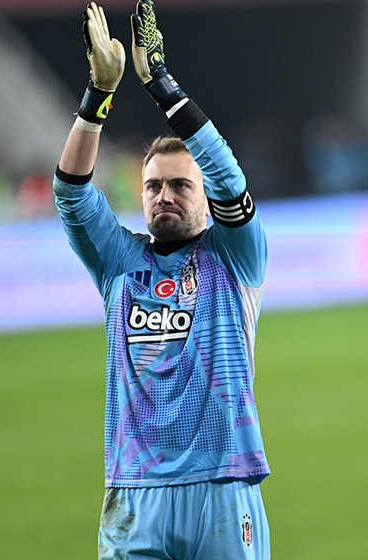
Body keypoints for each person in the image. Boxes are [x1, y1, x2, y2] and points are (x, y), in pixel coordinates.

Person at [54, 2, 270, 558]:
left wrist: (162, 86)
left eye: (180, 185)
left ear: (204, 198)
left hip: (222, 486)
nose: (164, 196)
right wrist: (98, 96)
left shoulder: (236, 257)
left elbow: (227, 175)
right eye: (153, 187)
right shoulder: (119, 263)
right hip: (133, 495)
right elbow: (72, 195)